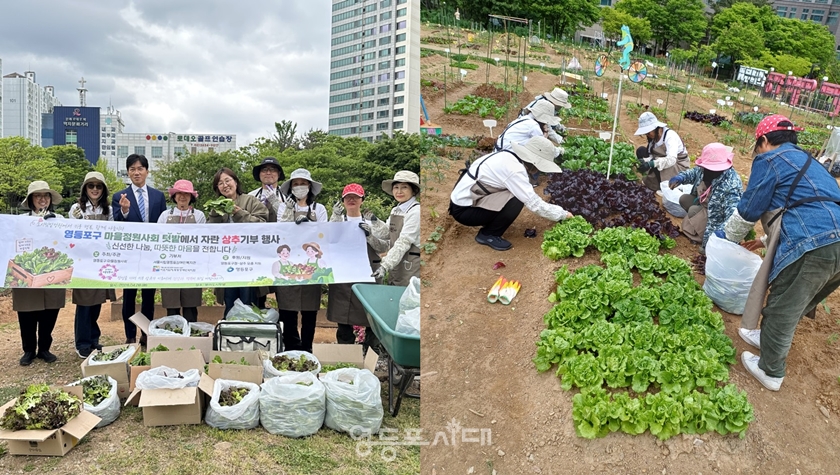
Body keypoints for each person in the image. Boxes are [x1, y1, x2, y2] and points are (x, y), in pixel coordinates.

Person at [718, 114, 840, 392]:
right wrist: (764, 240)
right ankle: (768, 338)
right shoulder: (813, 163)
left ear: (763, 140)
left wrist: (725, 238)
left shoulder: (770, 159)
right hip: (833, 241)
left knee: (781, 307)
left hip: (813, 245)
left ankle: (770, 371)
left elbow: (750, 208)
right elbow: (813, 208)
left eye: (757, 146)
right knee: (798, 301)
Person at [449, 136, 573, 251]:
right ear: (533, 162)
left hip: (464, 202)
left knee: (516, 191)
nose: (539, 171)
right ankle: (489, 234)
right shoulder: (514, 170)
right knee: (516, 198)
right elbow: (535, 204)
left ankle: (490, 222)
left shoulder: (509, 156)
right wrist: (563, 214)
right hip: (465, 211)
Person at [112, 154, 167, 344]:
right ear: (128, 172)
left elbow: (163, 224)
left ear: (147, 171)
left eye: (140, 169)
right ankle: (130, 336)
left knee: (148, 296)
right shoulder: (119, 196)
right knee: (129, 296)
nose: (136, 172)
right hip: (130, 255)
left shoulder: (158, 196)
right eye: (132, 169)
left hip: (151, 254)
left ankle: (146, 333)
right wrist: (125, 210)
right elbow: (117, 225)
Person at [327, 184, 389, 351]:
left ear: (362, 200)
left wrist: (369, 235)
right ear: (343, 201)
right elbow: (328, 241)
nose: (351, 200)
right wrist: (334, 217)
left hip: (369, 272)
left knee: (370, 313)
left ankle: (370, 351)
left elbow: (384, 246)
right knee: (343, 312)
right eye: (348, 197)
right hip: (343, 273)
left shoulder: (373, 222)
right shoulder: (338, 220)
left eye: (355, 197)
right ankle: (345, 351)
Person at [13, 181, 65, 365]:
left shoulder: (59, 219)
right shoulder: (20, 221)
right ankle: (28, 350)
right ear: (31, 200)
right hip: (26, 272)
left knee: (50, 312)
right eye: (37, 196)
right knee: (26, 313)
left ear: (50, 199)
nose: (42, 199)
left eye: (45, 196)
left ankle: (44, 348)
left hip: (52, 273)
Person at [277, 168, 328, 352]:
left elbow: (324, 233)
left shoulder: (319, 209)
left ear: (310, 186)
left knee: (309, 312)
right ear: (291, 188)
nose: (299, 187)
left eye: (303, 183)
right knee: (287, 311)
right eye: (296, 184)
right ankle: (291, 348)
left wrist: (309, 227)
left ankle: (307, 349)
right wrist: (289, 213)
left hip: (311, 267)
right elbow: (279, 231)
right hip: (289, 265)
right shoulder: (283, 207)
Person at [207, 168, 269, 316]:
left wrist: (239, 213)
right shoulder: (217, 206)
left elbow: (262, 225)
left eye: (227, 180)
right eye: (220, 183)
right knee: (230, 301)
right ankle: (231, 330)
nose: (225, 185)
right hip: (226, 263)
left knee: (248, 301)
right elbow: (210, 233)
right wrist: (214, 214)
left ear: (235, 182)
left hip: (248, 263)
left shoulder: (250, 200)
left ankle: (248, 330)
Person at [69, 172, 116, 358]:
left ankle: (93, 339)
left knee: (97, 302)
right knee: (84, 304)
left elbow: (112, 232)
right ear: (85, 189)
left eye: (98, 186)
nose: (95, 189)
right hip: (83, 263)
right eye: (91, 186)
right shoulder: (76, 209)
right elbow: (73, 233)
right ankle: (82, 343)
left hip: (101, 263)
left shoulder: (108, 210)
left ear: (103, 189)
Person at [667, 143, 743, 252]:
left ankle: (702, 233)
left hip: (718, 218)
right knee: (684, 199)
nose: (706, 171)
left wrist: (713, 240)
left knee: (693, 211)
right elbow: (694, 172)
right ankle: (698, 224)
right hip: (705, 204)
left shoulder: (731, 186)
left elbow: (732, 217)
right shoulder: (706, 170)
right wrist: (681, 178)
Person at [157, 180, 206, 322]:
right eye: (179, 193)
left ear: (192, 197)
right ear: (174, 196)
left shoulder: (199, 215)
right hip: (170, 266)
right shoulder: (165, 215)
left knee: (190, 306)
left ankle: (190, 332)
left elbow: (202, 239)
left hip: (191, 266)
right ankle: (174, 333)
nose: (182, 197)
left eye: (186, 194)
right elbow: (158, 238)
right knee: (171, 306)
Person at [368, 171, 422, 286]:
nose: (399, 191)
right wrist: (374, 221)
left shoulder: (416, 211)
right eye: (396, 187)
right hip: (396, 262)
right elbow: (387, 233)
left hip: (410, 262)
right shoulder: (396, 210)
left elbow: (404, 242)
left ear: (413, 190)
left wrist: (385, 266)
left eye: (404, 187)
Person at [248, 157, 286, 309]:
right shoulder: (250, 196)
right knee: (258, 292)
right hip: (257, 251)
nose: (268, 173)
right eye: (264, 170)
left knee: (283, 292)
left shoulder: (287, 196)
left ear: (279, 174)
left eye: (272, 170)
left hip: (282, 250)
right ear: (259, 174)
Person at [496, 100, 563, 186]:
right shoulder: (534, 126)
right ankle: (530, 181)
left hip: (500, 152)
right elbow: (542, 148)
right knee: (537, 155)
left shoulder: (524, 119)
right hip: (509, 156)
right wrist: (559, 151)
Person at [634, 111, 690, 192]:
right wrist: (645, 161)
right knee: (641, 151)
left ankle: (664, 186)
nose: (647, 135)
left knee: (656, 162)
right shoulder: (653, 138)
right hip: (661, 160)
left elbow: (671, 160)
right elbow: (652, 155)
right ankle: (654, 179)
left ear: (656, 128)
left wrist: (652, 163)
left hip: (678, 165)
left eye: (648, 133)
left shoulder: (670, 136)